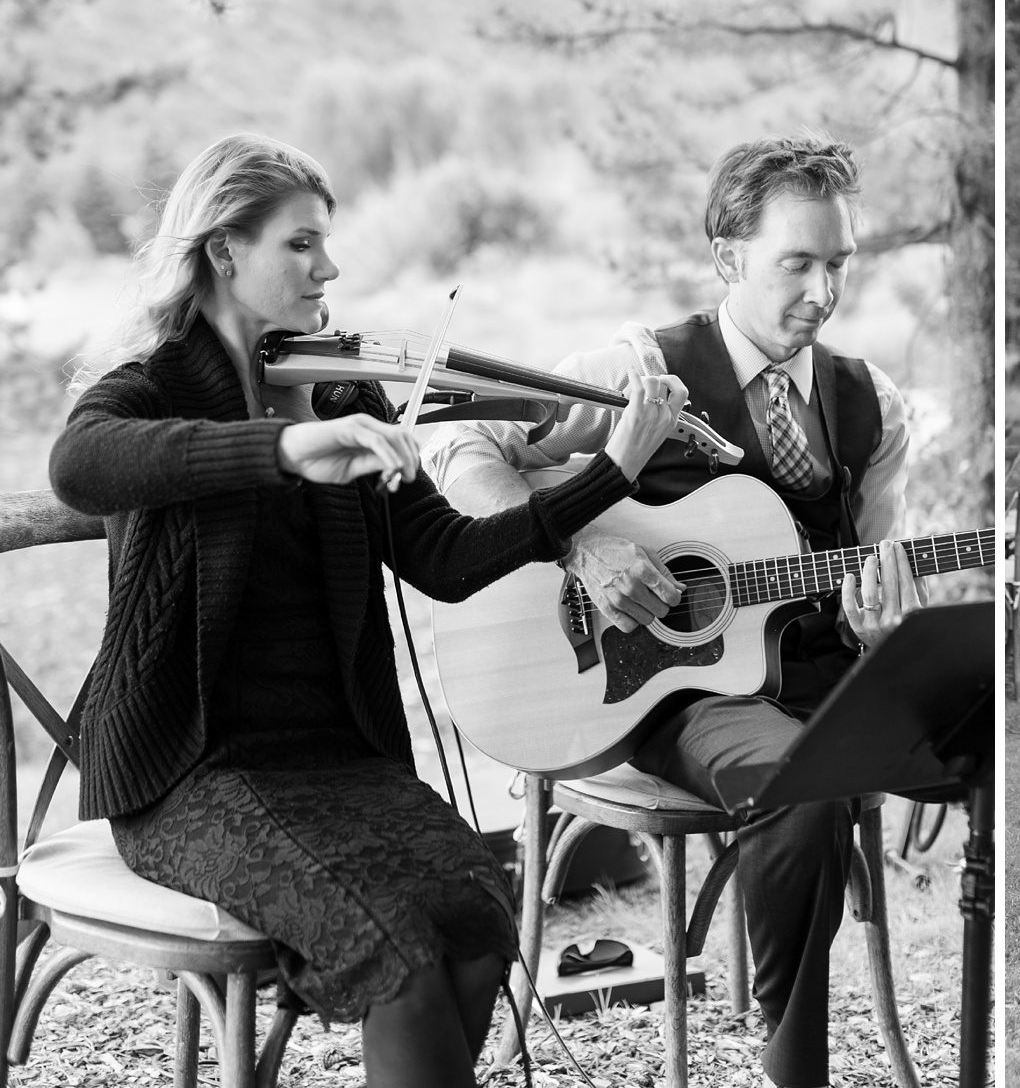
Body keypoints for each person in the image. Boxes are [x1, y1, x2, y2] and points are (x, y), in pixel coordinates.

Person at [47, 134, 687, 1088]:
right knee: (405, 962)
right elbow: (79, 464)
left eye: (326, 243)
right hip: (192, 769)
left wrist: (608, 476)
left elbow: (450, 558)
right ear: (224, 251)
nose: (329, 267)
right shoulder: (155, 386)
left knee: (481, 915)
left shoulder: (341, 385)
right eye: (300, 244)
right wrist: (284, 449)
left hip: (337, 757)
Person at [432, 136, 921, 1088]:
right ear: (729, 258)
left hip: (816, 676)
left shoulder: (874, 406)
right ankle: (795, 1065)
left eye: (840, 264)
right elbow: (468, 444)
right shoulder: (636, 371)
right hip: (667, 690)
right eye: (798, 264)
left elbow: (866, 571)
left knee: (949, 742)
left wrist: (878, 625)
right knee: (806, 785)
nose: (823, 292)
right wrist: (579, 540)